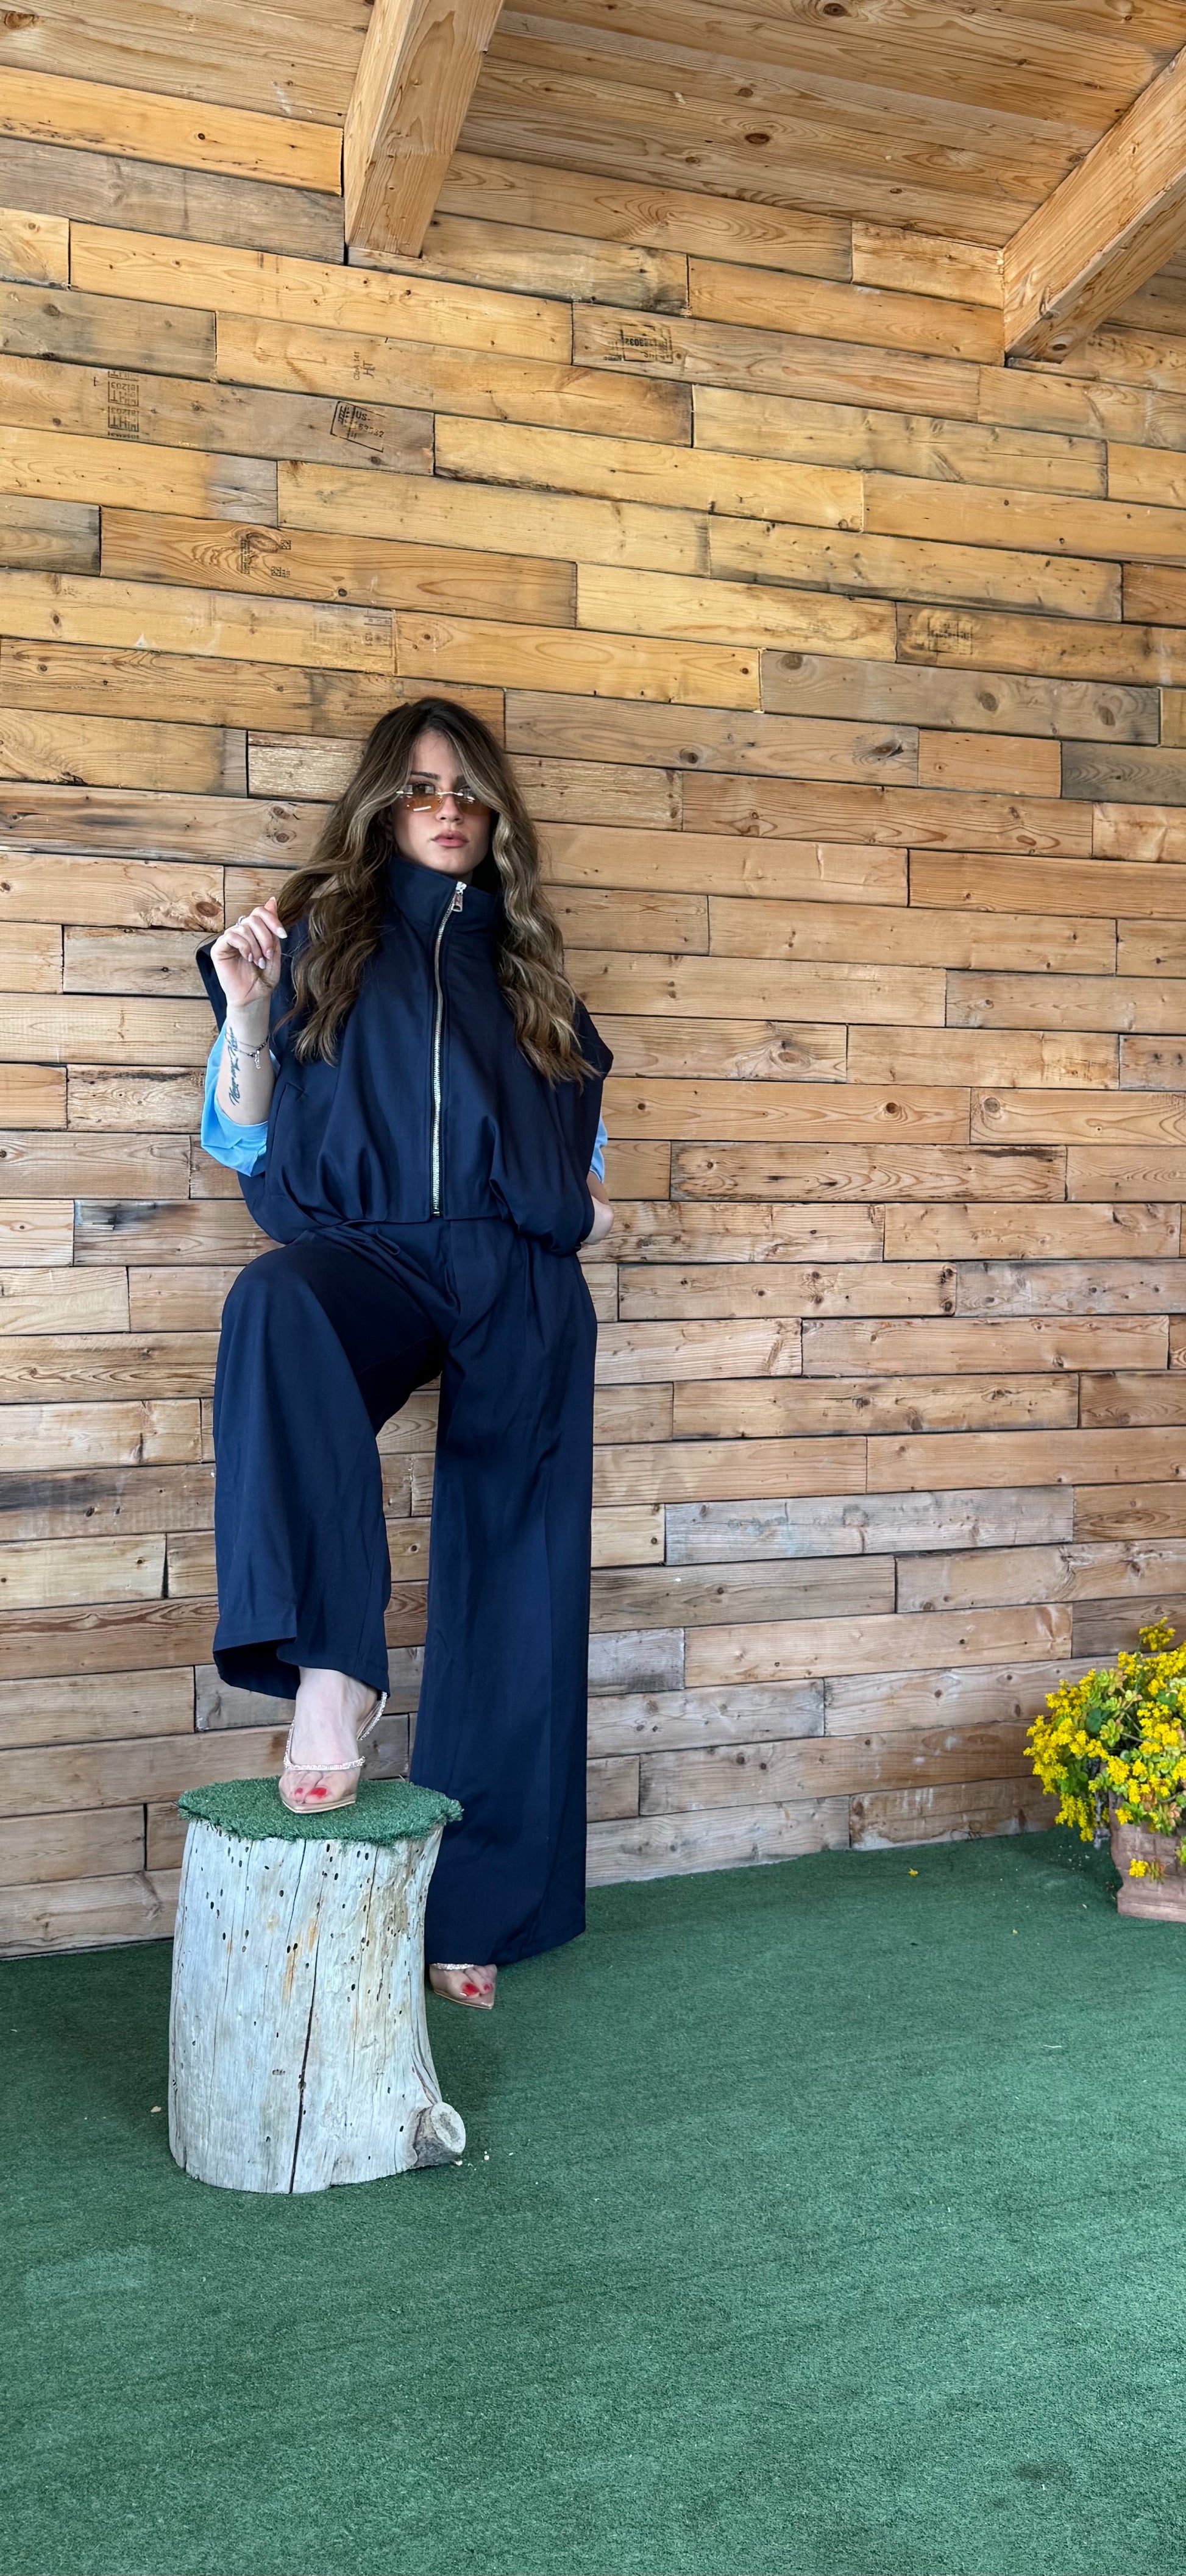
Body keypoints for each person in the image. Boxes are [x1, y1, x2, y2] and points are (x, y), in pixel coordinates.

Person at [194, 697, 615, 2011]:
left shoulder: (534, 980)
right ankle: (334, 1670)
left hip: (513, 1271)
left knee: (516, 1569)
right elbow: (240, 1139)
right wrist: (246, 1012)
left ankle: (473, 1913)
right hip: (367, 1250)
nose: (448, 809)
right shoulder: (315, 948)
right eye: (424, 787)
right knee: (275, 1307)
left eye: (469, 791)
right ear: (383, 804)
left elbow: (589, 1165)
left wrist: (587, 1213)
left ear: (496, 817)